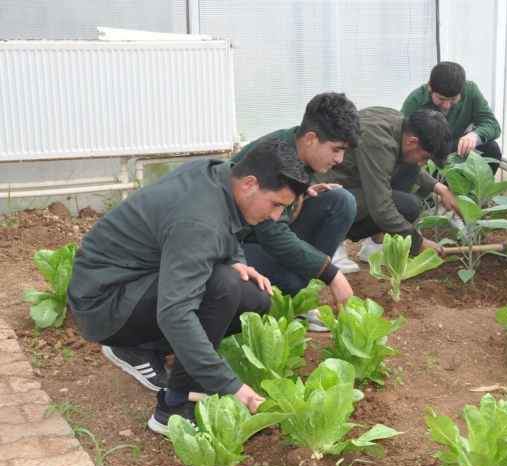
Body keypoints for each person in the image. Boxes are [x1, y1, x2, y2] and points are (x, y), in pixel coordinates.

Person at [67, 138, 309, 433]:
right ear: (249, 183)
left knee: (254, 298)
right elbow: (175, 312)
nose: (275, 216)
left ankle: (141, 348)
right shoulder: (200, 221)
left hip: (136, 281)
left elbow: (225, 230)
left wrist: (234, 258)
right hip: (104, 303)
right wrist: (232, 386)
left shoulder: (218, 175)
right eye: (275, 205)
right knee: (222, 287)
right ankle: (174, 407)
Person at [231, 93, 363, 331]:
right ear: (311, 138)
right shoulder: (277, 156)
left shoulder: (299, 150)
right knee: (291, 280)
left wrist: (300, 195)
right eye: (336, 149)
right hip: (234, 246)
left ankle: (297, 300)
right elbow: (271, 233)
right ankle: (287, 301)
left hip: (260, 236)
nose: (340, 159)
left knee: (340, 201)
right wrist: (331, 274)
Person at [314, 107, 455, 260]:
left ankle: (375, 243)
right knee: (407, 207)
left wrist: (440, 188)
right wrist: (419, 243)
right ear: (412, 141)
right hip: (324, 196)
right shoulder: (379, 144)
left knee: (410, 167)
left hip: (350, 180)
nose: (423, 164)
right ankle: (331, 242)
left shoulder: (397, 122)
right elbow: (381, 208)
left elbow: (404, 164)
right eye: (425, 157)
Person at [401, 61, 502, 175]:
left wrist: (475, 136)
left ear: (462, 89)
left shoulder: (471, 91)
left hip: (459, 155)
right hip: (429, 160)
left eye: (453, 99)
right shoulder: (415, 100)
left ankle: (471, 193)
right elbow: (403, 139)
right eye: (441, 99)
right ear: (430, 86)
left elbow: (492, 124)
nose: (446, 105)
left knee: (491, 148)